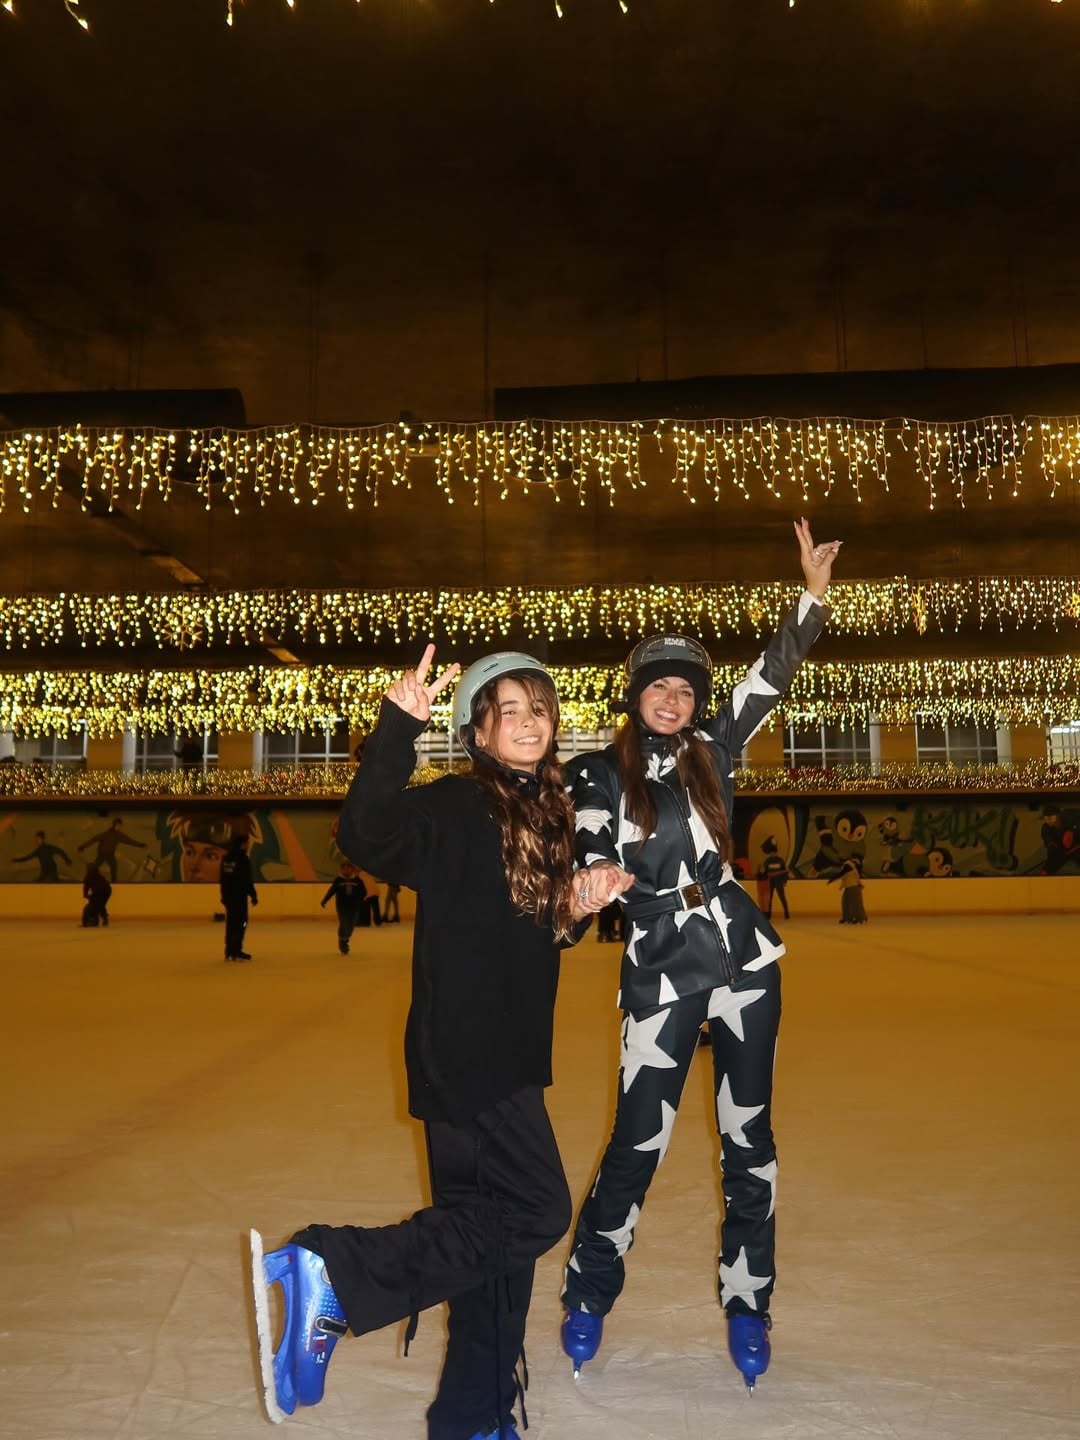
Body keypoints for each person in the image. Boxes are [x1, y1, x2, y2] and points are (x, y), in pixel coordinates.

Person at [249, 645, 614, 1440]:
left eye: (538, 709)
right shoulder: (455, 805)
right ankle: (335, 1271)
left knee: (493, 1253)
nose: (527, 722)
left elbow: (533, 937)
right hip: (466, 1053)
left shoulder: (545, 817)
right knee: (536, 1209)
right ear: (478, 733)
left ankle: (470, 1416)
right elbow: (366, 834)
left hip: (509, 1053)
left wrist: (578, 906)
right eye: (507, 710)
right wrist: (397, 730)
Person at [560, 517, 841, 1394]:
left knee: (748, 1143)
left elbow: (771, 676)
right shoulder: (597, 772)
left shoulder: (717, 751)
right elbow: (589, 842)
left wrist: (811, 599)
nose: (673, 697)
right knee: (636, 1144)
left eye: (686, 688)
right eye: (659, 686)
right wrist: (595, 871)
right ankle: (589, 1294)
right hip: (658, 968)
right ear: (635, 695)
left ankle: (748, 1303)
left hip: (746, 962)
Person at [220, 833, 258, 961]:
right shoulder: (243, 859)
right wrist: (253, 895)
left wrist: (223, 896)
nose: (248, 845)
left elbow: (223, 879)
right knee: (241, 922)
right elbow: (247, 879)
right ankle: (236, 950)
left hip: (229, 897)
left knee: (231, 923)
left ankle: (229, 950)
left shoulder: (226, 859)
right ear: (243, 844)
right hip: (239, 897)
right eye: (247, 843)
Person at [77, 817, 146, 883]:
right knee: (96, 866)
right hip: (102, 854)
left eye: (120, 826)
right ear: (114, 825)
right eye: (117, 825)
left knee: (114, 867)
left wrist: (140, 845)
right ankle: (90, 872)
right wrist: (82, 847)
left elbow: (129, 841)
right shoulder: (106, 834)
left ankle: (114, 882)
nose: (119, 827)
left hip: (110, 855)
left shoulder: (118, 835)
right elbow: (94, 839)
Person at [320, 861, 367, 954]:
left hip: (354, 907)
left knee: (351, 925)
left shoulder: (358, 881)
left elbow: (364, 892)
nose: (346, 870)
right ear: (341, 870)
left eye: (348, 868)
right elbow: (331, 891)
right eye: (344, 868)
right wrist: (325, 900)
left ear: (352, 870)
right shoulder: (338, 880)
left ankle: (346, 939)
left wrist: (359, 900)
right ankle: (342, 942)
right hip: (342, 907)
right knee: (344, 923)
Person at [758, 836, 790, 920]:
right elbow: (765, 872)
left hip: (779, 881)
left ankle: (786, 913)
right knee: (769, 899)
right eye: (771, 853)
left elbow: (786, 871)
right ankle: (768, 915)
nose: (773, 854)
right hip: (770, 882)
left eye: (774, 853)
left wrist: (785, 881)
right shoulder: (767, 861)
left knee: (782, 898)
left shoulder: (780, 860)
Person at [831, 854, 868, 923]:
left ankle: (859, 918)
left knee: (855, 903)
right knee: (846, 902)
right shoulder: (850, 864)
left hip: (853, 886)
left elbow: (843, 873)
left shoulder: (848, 864)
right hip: (849, 886)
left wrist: (832, 879)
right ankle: (848, 917)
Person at [81, 862, 112, 927]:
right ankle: (101, 919)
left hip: (105, 892)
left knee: (99, 905)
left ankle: (99, 919)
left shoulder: (98, 877)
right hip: (101, 892)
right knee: (99, 905)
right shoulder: (90, 877)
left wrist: (89, 896)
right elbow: (86, 887)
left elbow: (100, 888)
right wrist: (86, 894)